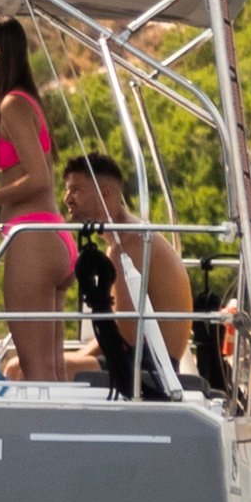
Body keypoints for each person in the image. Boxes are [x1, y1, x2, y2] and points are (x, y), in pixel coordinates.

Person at [0, 18, 75, 384]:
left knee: (36, 369)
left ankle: (46, 441)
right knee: (53, 369)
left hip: (32, 238)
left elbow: (38, 178)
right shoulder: (27, 100)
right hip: (52, 237)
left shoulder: (12, 104)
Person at [63, 153, 195, 398]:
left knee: (22, 369)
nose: (67, 199)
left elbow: (126, 336)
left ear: (105, 193)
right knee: (42, 363)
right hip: (142, 361)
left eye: (76, 190)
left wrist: (76, 357)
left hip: (149, 370)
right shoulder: (124, 241)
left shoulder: (129, 245)